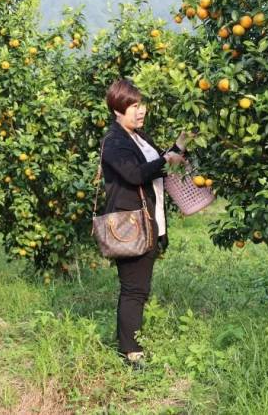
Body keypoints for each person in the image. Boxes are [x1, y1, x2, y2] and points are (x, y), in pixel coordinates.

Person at [100, 79, 191, 365]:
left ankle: (129, 344)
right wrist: (168, 159)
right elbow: (136, 174)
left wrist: (180, 145)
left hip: (151, 222)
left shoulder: (138, 136)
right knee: (134, 290)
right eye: (134, 106)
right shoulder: (114, 141)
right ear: (118, 109)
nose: (140, 112)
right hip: (130, 226)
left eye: (142, 105)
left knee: (140, 287)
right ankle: (130, 352)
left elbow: (157, 163)